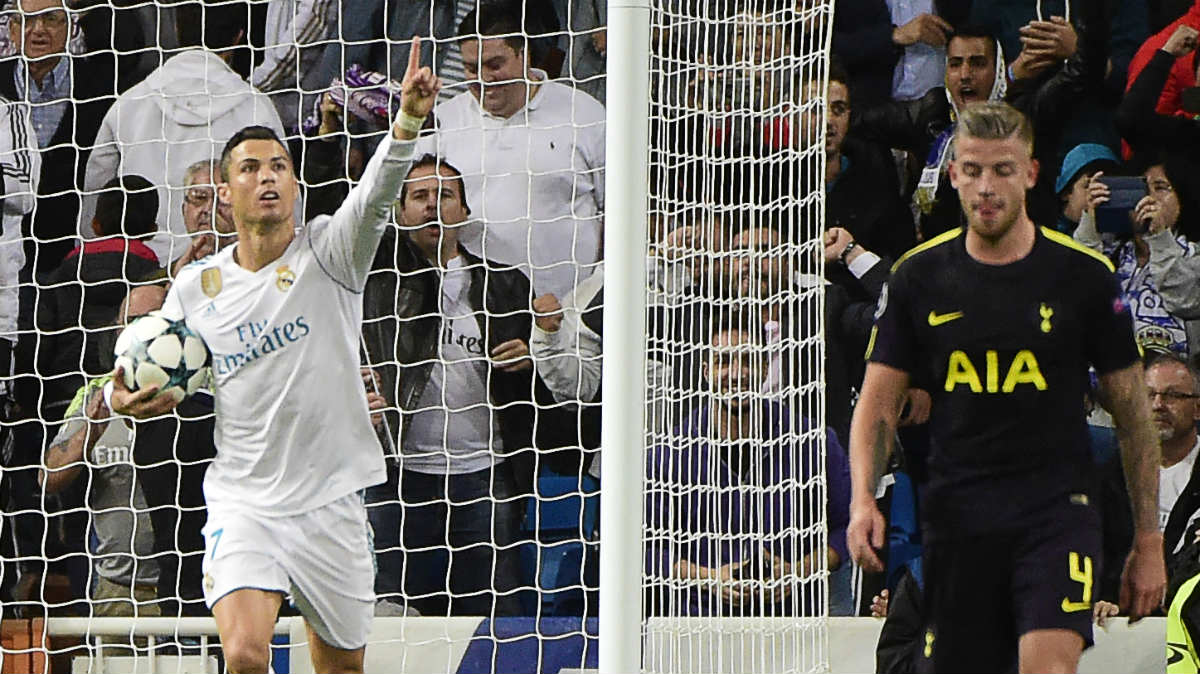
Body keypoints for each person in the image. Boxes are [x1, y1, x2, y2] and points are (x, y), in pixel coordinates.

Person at [110, 39, 439, 674]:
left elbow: (374, 196)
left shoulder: (331, 253)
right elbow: (145, 367)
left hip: (333, 497)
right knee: (243, 653)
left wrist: (405, 125)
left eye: (280, 165)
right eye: (251, 167)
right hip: (245, 500)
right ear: (226, 196)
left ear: (294, 183)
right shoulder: (195, 287)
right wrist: (123, 397)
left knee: (341, 668)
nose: (267, 176)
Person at [847, 102, 1166, 672]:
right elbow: (877, 399)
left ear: (1031, 174)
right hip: (958, 514)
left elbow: (1134, 414)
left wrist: (1148, 538)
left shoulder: (1084, 277)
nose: (986, 187)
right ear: (952, 176)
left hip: (1056, 513)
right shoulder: (919, 276)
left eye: (1003, 170)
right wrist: (862, 498)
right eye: (972, 170)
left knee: (1046, 666)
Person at [362, 154, 535, 617]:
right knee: (391, 622)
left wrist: (529, 360)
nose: (432, 206)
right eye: (419, 196)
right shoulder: (372, 278)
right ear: (399, 212)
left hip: (483, 473)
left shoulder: (506, 283)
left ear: (465, 211)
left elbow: (538, 392)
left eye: (444, 196)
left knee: (495, 621)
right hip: (396, 475)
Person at [645, 319, 850, 617]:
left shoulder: (812, 441)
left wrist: (799, 570)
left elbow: (847, 527)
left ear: (765, 369)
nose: (736, 373)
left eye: (748, 360)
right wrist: (708, 577)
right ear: (706, 371)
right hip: (699, 624)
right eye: (723, 361)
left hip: (795, 621)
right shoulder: (669, 453)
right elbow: (645, 550)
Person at [417, 2, 606, 298]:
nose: (483, 79)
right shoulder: (443, 122)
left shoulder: (585, 114)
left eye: (495, 65)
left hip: (565, 313)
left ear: (524, 56)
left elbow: (617, 214)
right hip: (470, 315)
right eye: (471, 68)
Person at [81, 0, 286, 265]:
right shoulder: (257, 107)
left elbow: (95, 195)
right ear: (239, 37)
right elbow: (283, 199)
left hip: (139, 269)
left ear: (176, 28)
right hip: (231, 270)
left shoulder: (130, 103)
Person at [40, 285, 167, 617]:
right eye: (132, 321)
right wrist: (90, 434)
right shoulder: (94, 394)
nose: (141, 331)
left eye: (152, 319)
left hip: (194, 587)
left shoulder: (203, 388)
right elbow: (48, 478)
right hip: (120, 593)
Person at [35, 175, 160, 419]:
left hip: (59, 399)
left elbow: (40, 339)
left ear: (95, 224)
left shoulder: (61, 275)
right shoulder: (155, 284)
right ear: (153, 230)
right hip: (129, 399)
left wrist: (29, 400)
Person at [1099, 353, 1200, 606]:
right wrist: (1104, 598)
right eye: (1149, 395)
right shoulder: (1113, 472)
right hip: (1121, 616)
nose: (1158, 405)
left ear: (1198, 408)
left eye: (1173, 395)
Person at [171, 159, 237, 276]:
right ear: (183, 210)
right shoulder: (161, 279)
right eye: (199, 198)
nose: (209, 209)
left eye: (221, 199)